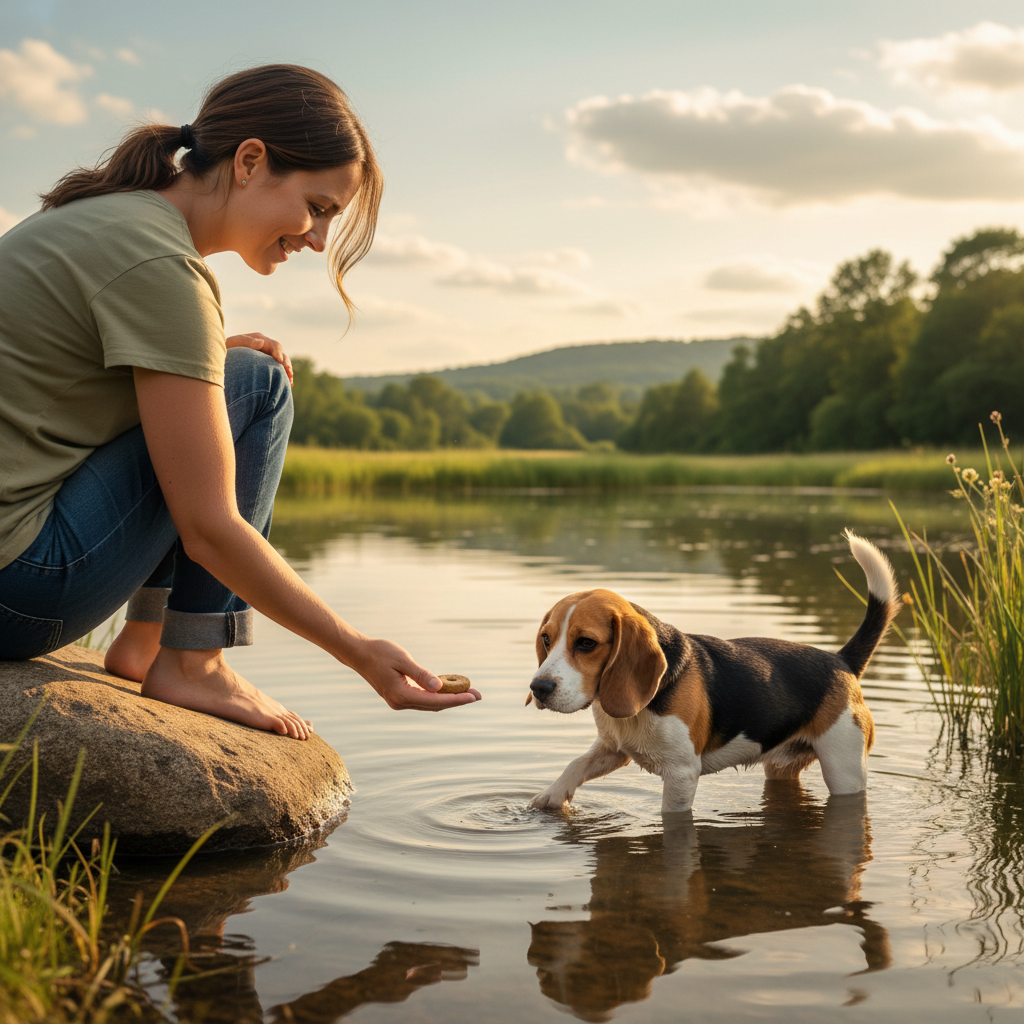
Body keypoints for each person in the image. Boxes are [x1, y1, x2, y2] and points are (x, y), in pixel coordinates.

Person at [0, 64, 481, 739]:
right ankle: (193, 659)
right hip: (17, 590)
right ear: (250, 161)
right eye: (318, 207)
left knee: (235, 370)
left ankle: (144, 645)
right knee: (259, 382)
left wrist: (208, 352)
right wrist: (361, 653)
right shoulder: (161, 266)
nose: (317, 239)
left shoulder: (109, 220)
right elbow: (211, 529)